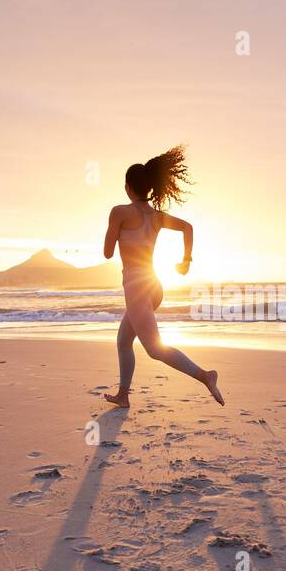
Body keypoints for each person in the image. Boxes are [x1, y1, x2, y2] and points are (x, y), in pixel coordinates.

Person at [102, 145, 223, 408]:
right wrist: (185, 261)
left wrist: (114, 232)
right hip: (154, 285)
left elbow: (108, 253)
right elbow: (187, 228)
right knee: (124, 341)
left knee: (155, 349)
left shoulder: (119, 212)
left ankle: (205, 375)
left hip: (136, 285)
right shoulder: (156, 217)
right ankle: (123, 395)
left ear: (128, 187)